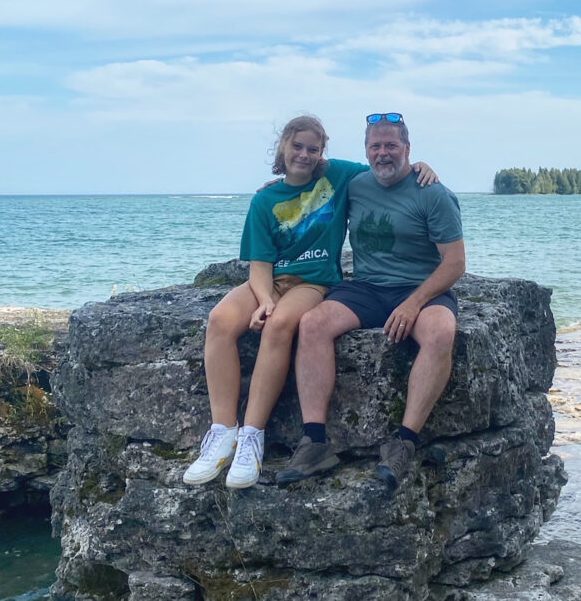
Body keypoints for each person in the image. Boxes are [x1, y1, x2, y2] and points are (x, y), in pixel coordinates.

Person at [183, 114, 438, 489]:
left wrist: (420, 166)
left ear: (322, 153)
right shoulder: (264, 200)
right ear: (283, 147)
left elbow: (385, 165)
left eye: (312, 149)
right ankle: (223, 432)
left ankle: (253, 436)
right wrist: (264, 300)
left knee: (282, 323)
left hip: (313, 282)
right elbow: (259, 268)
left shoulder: (336, 177)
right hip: (269, 281)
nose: (303, 154)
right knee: (220, 319)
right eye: (296, 146)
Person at [276, 112, 466, 491]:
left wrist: (414, 303)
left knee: (442, 331)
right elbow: (310, 167)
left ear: (408, 149)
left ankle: (404, 443)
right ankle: (315, 442)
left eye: (391, 145)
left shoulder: (433, 193)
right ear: (365, 151)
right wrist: (281, 188)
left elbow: (456, 263)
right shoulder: (356, 184)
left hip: (421, 289)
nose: (383, 153)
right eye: (375, 146)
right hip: (366, 287)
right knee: (312, 324)